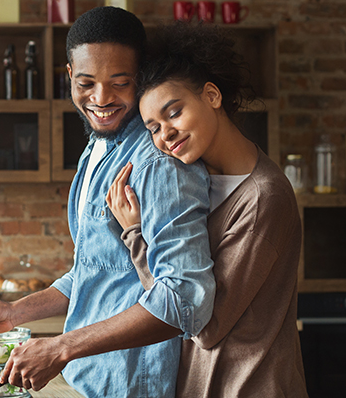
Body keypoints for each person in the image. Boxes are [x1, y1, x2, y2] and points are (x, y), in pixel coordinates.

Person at [0, 7, 216, 397]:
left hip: (134, 385)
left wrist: (61, 347)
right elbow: (96, 269)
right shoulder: (98, 147)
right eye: (86, 82)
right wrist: (15, 312)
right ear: (69, 76)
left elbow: (184, 300)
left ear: (140, 76)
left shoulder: (158, 164)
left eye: (119, 82)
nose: (101, 98)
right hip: (89, 381)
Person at [106, 22, 308, 397]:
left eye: (174, 112)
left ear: (212, 96)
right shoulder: (195, 184)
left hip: (250, 387)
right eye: (152, 127)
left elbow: (204, 322)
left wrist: (135, 235)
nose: (165, 134)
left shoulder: (264, 198)